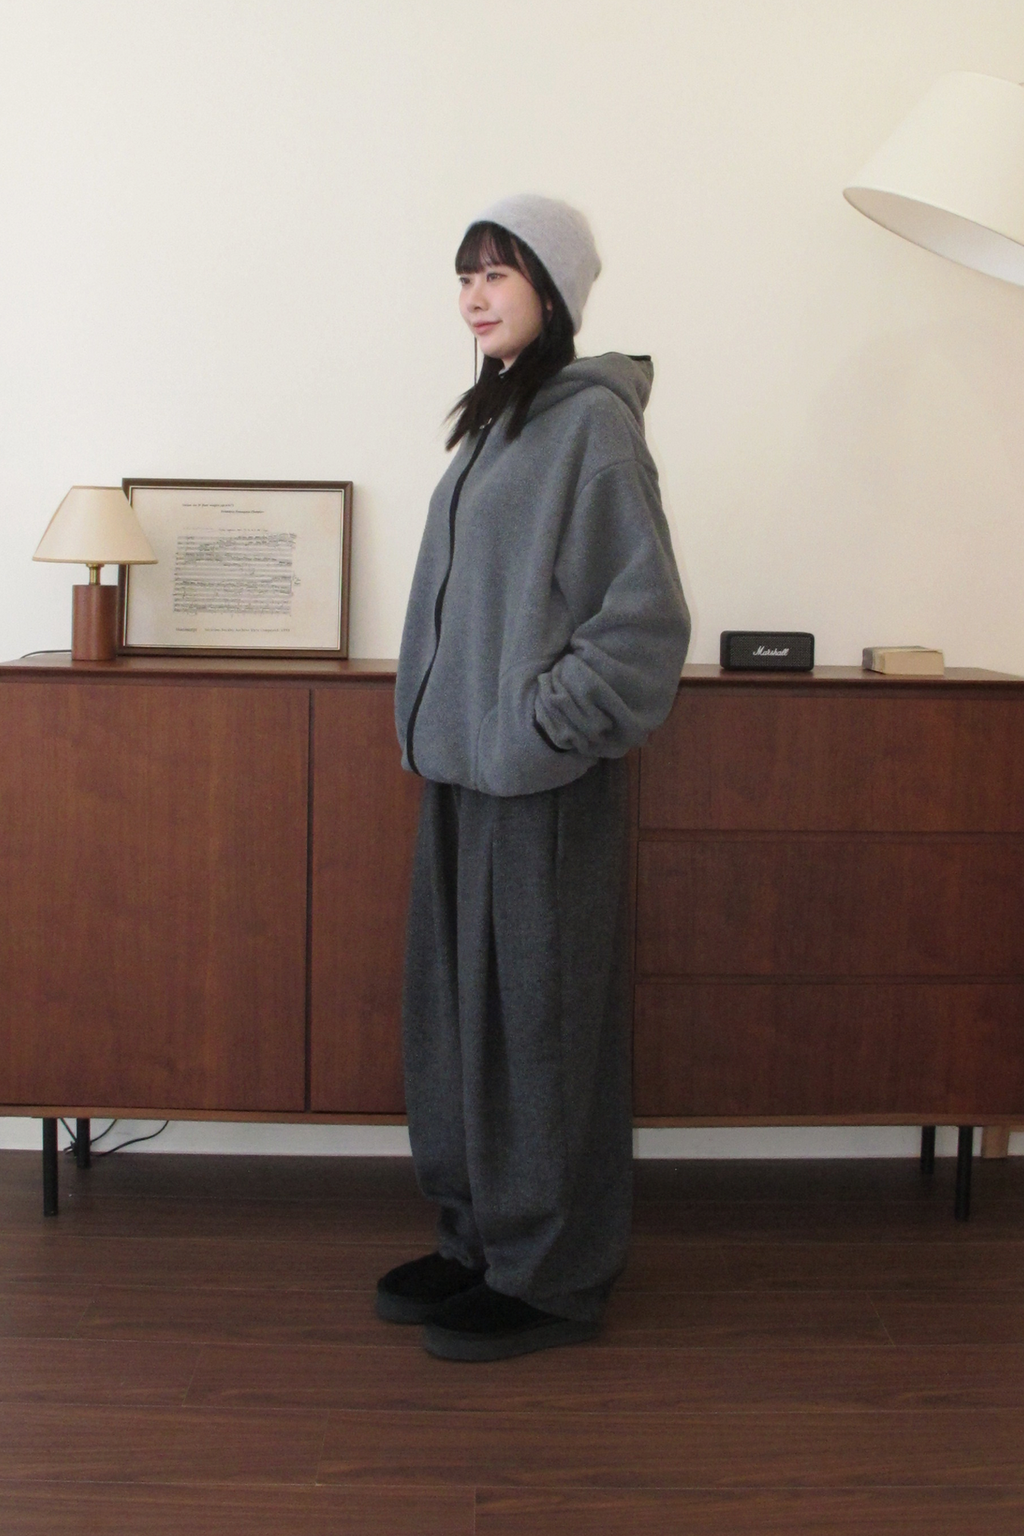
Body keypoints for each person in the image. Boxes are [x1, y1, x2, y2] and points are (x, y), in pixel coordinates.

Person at [377, 193, 691, 1361]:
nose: (474, 295)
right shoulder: (498, 421)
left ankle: (550, 1278)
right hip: (464, 779)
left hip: (538, 785)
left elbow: (641, 626)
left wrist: (536, 729)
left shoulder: (590, 425)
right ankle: (478, 1242)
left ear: (552, 291)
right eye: (465, 275)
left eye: (498, 273)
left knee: (540, 1034)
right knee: (458, 1026)